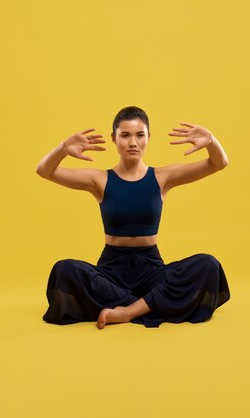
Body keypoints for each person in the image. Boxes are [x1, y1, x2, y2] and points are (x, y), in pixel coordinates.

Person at [35, 106, 231, 329]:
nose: (133, 142)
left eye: (140, 135)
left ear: (149, 137)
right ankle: (149, 305)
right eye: (125, 135)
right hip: (111, 270)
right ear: (114, 138)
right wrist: (63, 149)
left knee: (208, 265)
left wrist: (212, 141)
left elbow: (218, 163)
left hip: (151, 269)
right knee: (65, 269)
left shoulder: (161, 177)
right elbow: (44, 170)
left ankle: (127, 311)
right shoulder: (100, 180)